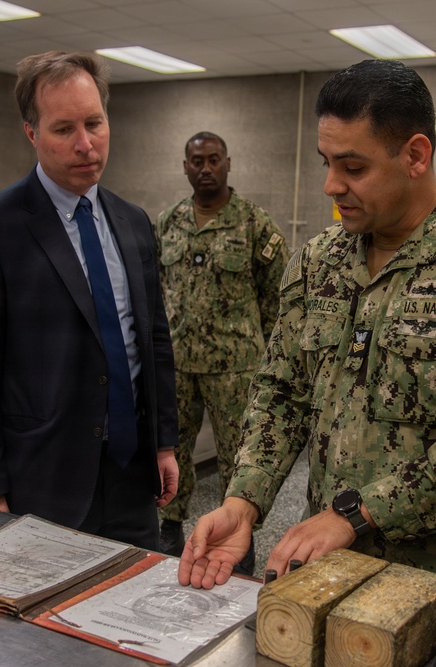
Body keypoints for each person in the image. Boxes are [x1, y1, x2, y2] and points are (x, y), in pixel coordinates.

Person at [178, 59, 436, 610]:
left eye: (352, 167)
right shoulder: (319, 261)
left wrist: (358, 514)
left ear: (416, 155)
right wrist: (244, 499)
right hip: (324, 570)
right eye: (326, 163)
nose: (332, 185)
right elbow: (281, 393)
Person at [0, 52, 178, 551]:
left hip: (132, 475)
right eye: (63, 128)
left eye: (94, 123)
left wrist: (162, 441)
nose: (85, 144)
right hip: (42, 481)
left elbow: (152, 339)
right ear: (31, 133)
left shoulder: (133, 221)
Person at [155, 132, 288, 568]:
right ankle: (169, 527)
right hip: (177, 364)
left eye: (213, 160)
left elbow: (277, 300)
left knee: (238, 456)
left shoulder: (255, 224)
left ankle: (240, 540)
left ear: (228, 164)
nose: (205, 168)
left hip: (236, 368)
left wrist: (266, 358)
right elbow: (155, 290)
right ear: (185, 166)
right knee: (170, 449)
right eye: (197, 161)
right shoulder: (168, 222)